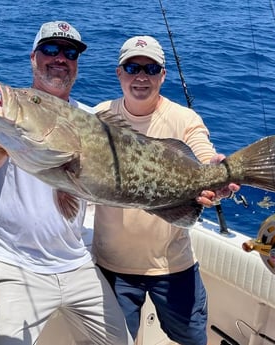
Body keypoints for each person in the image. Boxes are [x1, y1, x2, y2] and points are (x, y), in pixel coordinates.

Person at [0, 21, 133, 345]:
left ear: (76, 64)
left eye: (69, 52)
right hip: (12, 263)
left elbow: (121, 176)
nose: (60, 58)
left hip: (76, 263)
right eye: (50, 49)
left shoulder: (90, 120)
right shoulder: (7, 115)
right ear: (33, 57)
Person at [92, 35, 239, 345]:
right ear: (119, 73)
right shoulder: (101, 117)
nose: (141, 77)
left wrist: (217, 173)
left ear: (163, 74)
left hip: (174, 266)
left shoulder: (183, 119)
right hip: (112, 267)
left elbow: (202, 154)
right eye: (132, 68)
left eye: (151, 68)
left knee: (192, 340)